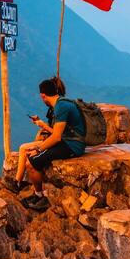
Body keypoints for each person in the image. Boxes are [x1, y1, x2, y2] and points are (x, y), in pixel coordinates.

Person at [14, 77, 85, 211]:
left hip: (72, 146)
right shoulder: (62, 103)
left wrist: (39, 149)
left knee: (31, 163)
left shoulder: (61, 107)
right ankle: (37, 195)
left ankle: (42, 198)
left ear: (43, 95)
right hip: (68, 142)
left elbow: (57, 137)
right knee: (32, 160)